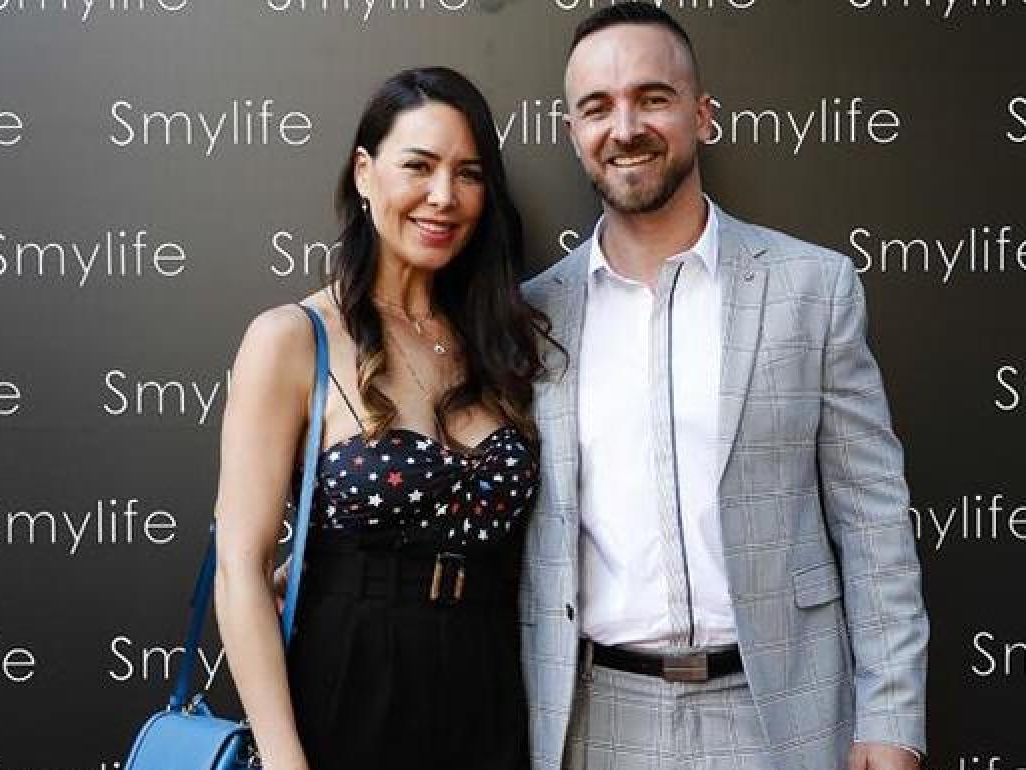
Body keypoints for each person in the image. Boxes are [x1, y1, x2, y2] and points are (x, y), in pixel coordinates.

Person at [519, 5, 929, 770]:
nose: (625, 127)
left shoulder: (813, 288)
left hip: (781, 712)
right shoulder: (529, 318)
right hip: (592, 721)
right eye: (597, 108)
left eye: (652, 98)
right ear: (573, 132)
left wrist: (892, 717)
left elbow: (873, 519)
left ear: (702, 115)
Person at [212, 67, 548, 770]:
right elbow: (241, 567)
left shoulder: (503, 341)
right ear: (364, 174)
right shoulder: (291, 338)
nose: (443, 196)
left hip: (489, 688)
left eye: (468, 174)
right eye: (418, 166)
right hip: (347, 688)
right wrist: (283, 758)